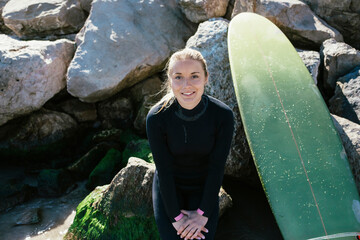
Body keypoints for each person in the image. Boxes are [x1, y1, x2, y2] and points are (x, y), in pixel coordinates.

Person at [146, 48, 234, 240]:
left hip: (205, 188)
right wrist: (177, 218)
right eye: (178, 77)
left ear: (206, 78)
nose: (186, 85)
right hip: (169, 188)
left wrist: (202, 214)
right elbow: (164, 171)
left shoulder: (223, 116)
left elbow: (216, 168)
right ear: (170, 81)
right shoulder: (157, 118)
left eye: (194, 76)